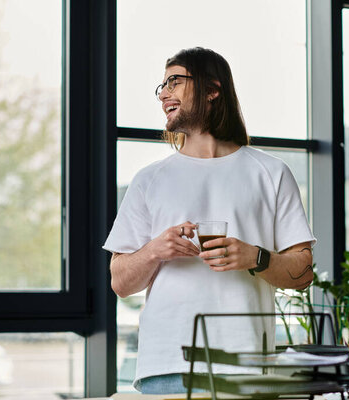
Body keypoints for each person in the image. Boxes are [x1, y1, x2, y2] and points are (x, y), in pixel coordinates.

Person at [103, 47, 316, 394]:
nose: (164, 94)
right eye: (162, 86)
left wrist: (255, 257)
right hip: (168, 364)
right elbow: (120, 282)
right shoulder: (148, 179)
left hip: (247, 365)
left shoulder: (272, 173)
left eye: (175, 81)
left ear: (212, 89)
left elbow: (303, 272)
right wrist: (155, 250)